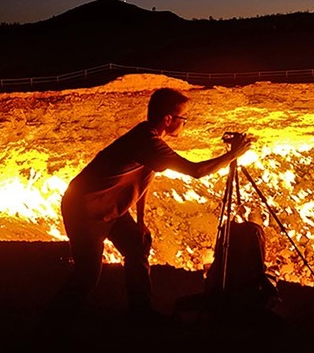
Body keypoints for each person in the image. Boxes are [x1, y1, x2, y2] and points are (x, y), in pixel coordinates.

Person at [49, 87, 252, 323]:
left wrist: (141, 222)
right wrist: (232, 155)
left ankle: (140, 312)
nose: (185, 123)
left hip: (110, 205)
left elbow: (143, 181)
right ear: (168, 119)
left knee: (137, 245)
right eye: (182, 118)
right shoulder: (148, 141)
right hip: (87, 209)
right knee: (87, 275)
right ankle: (55, 322)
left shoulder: (150, 139)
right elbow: (196, 171)